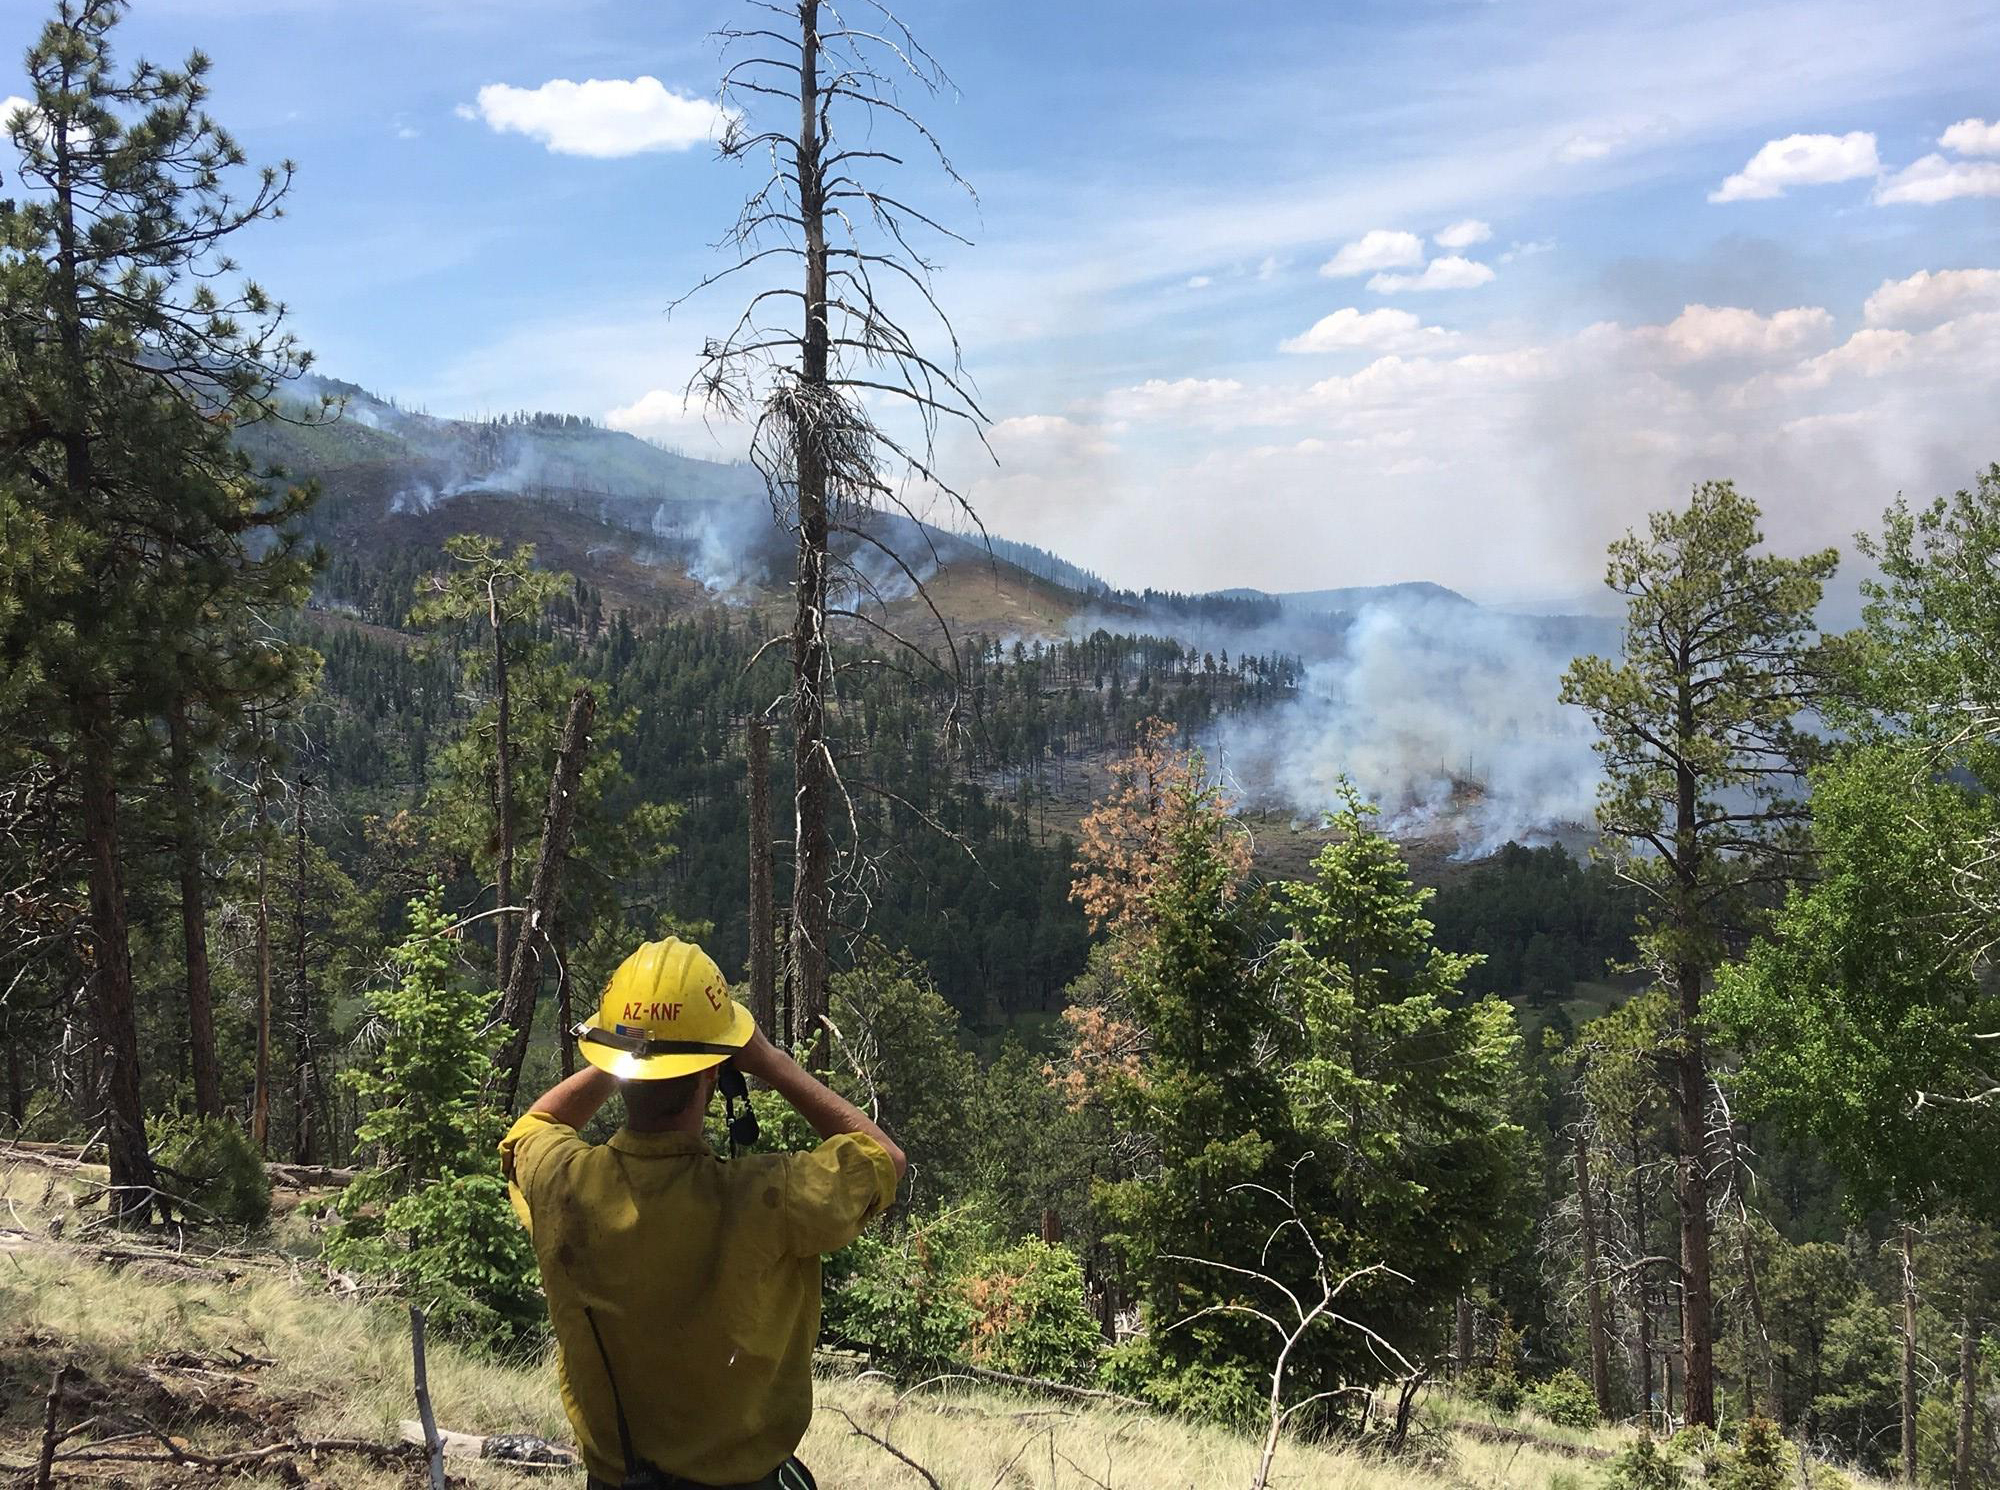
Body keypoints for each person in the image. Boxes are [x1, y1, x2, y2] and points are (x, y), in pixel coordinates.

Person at [502, 937, 905, 1490]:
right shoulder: (771, 1196)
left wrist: (627, 1053)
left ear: (617, 1069)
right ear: (711, 1075)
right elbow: (885, 1159)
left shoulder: (562, 1182)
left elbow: (531, 1128)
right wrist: (770, 1061)